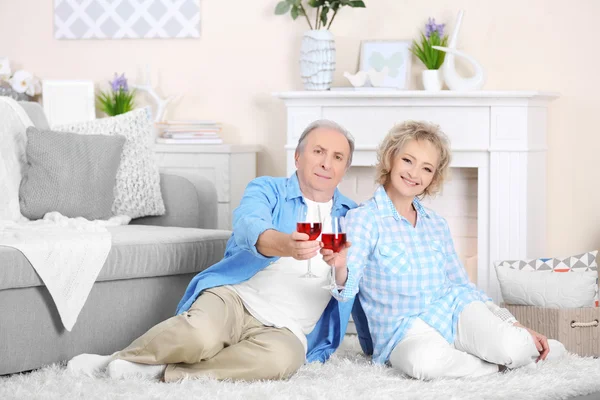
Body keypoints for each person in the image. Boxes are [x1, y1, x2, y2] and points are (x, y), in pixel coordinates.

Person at [68, 119, 357, 382]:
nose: (326, 163)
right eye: (318, 152)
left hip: (287, 328)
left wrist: (342, 266)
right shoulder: (268, 189)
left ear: (344, 169)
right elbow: (247, 225)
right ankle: (121, 359)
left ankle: (164, 371)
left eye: (337, 157)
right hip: (238, 297)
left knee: (281, 361)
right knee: (198, 336)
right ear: (297, 157)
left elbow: (350, 285)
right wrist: (287, 245)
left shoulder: (353, 217)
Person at [328, 121, 566, 379]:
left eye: (426, 168)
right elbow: (347, 289)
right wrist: (340, 266)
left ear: (433, 178)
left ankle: (524, 348)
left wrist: (513, 324)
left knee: (512, 345)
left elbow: (462, 285)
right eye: (408, 160)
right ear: (390, 158)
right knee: (424, 364)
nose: (414, 173)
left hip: (454, 310)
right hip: (403, 330)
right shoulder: (361, 219)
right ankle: (495, 365)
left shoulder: (436, 223)